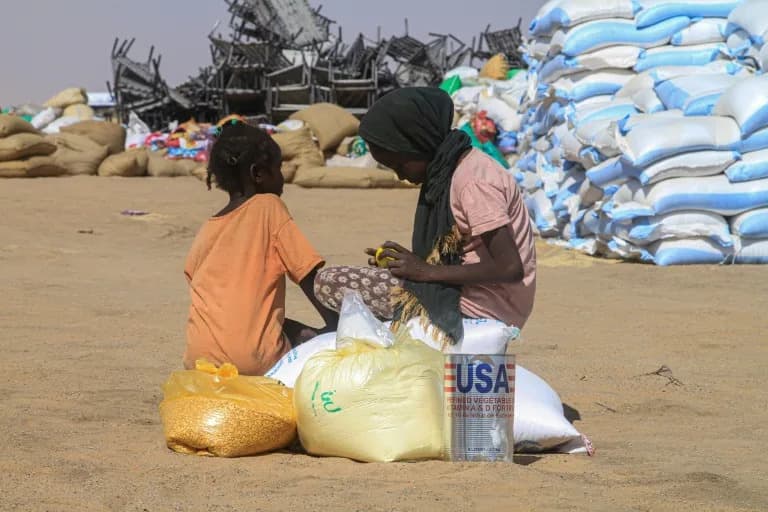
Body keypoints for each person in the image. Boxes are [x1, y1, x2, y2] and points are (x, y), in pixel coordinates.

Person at [314, 87, 536, 344]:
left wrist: (425, 271)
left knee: (330, 282)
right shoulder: (454, 167)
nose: (399, 175)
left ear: (419, 142)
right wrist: (407, 265)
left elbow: (509, 267)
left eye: (399, 164)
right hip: (469, 292)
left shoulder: (472, 183)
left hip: (482, 305)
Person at [183, 120, 338, 375]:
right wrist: (337, 327)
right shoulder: (268, 207)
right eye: (277, 168)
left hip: (198, 361)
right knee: (310, 340)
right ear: (258, 174)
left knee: (279, 325)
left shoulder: (208, 229)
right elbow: (307, 274)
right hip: (253, 360)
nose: (282, 178)